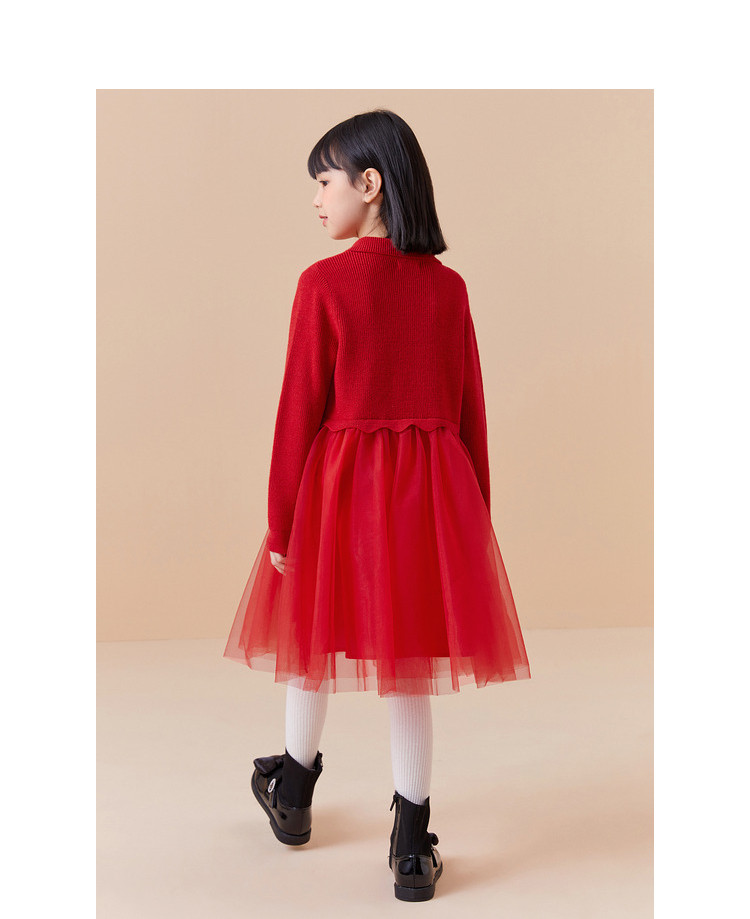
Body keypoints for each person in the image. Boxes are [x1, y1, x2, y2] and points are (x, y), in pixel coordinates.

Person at [223, 108, 532, 901]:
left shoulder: (322, 285)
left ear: (369, 183)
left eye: (324, 181)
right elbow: (469, 412)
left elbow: (298, 411)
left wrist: (282, 519)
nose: (315, 198)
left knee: (314, 632)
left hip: (339, 492)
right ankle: (411, 844)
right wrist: (476, 519)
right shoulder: (448, 290)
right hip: (429, 499)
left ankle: (293, 791)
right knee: (410, 662)